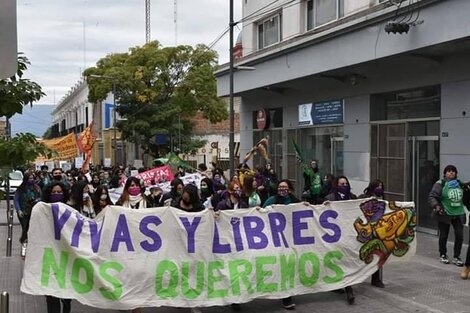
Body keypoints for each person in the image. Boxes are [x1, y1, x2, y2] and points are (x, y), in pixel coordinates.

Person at [262, 179, 299, 309]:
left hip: (291, 240)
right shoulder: (271, 200)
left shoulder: (295, 201)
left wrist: (307, 206)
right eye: (280, 187)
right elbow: (261, 213)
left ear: (289, 189)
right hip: (275, 239)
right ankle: (283, 295)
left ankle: (286, 296)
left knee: (288, 266)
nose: (282, 189)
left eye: (284, 187)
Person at [324, 175, 356, 304]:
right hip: (335, 236)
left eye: (346, 184)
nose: (344, 186)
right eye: (341, 184)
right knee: (340, 261)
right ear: (337, 185)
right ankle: (348, 289)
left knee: (346, 261)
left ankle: (347, 287)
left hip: (348, 235)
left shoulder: (353, 198)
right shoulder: (330, 198)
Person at [42, 181, 72, 313]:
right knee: (51, 292)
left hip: (66, 255)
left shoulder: (71, 210)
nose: (56, 194)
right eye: (53, 192)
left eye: (59, 192)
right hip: (49, 257)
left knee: (67, 293)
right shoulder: (43, 210)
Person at [428, 165, 466, 266]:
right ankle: (443, 254)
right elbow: (432, 196)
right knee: (444, 235)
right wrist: (437, 206)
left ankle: (457, 257)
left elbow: (466, 194)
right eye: (449, 171)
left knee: (459, 235)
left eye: (453, 171)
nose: (451, 173)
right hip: (445, 213)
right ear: (445, 173)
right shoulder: (440, 183)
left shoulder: (459, 184)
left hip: (458, 213)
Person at [359, 179, 385, 288]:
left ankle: (376, 279)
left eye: (381, 186)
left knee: (378, 255)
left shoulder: (383, 200)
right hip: (366, 231)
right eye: (377, 186)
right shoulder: (363, 198)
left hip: (378, 232)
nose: (380, 188)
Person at [14, 172, 42, 253]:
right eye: (29, 178)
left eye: (32, 178)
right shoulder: (20, 189)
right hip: (23, 212)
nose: (31, 180)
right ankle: (24, 242)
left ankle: (30, 243)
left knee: (32, 228)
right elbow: (16, 200)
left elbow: (41, 197)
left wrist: (37, 200)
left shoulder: (37, 188)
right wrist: (19, 210)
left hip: (34, 212)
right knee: (25, 228)